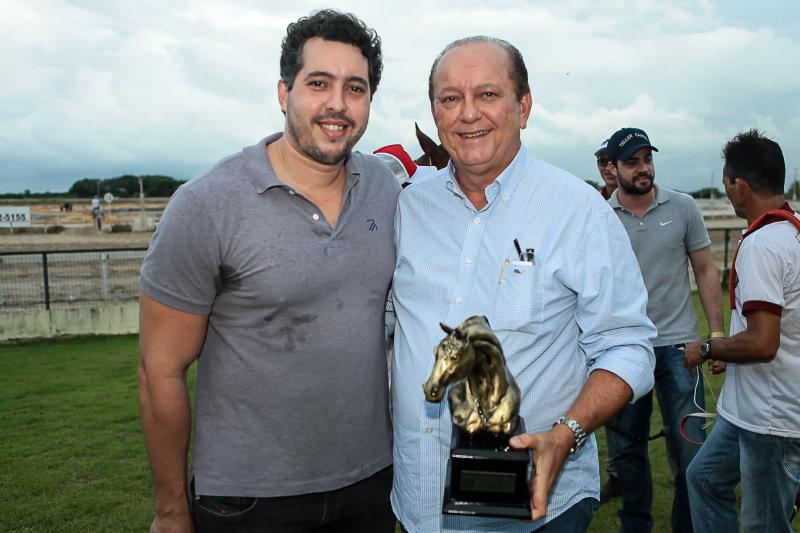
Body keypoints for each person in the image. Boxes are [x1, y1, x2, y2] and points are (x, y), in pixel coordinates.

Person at [137, 10, 399, 532]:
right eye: (318, 83)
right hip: (248, 499)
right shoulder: (206, 205)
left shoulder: (385, 189)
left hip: (371, 484)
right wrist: (171, 510)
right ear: (284, 93)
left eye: (355, 88)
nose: (337, 104)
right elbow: (159, 370)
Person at [390, 36, 656, 532]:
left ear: (524, 106)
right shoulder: (407, 207)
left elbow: (627, 345)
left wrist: (566, 433)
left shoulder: (577, 211)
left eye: (488, 94)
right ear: (435, 112)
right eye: (450, 98)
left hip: (540, 511)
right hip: (418, 499)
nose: (468, 113)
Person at [605, 127, 724, 532]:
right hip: (624, 348)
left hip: (680, 349)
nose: (643, 168)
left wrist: (716, 336)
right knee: (626, 448)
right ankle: (635, 525)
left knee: (692, 450)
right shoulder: (600, 215)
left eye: (647, 159)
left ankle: (686, 526)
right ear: (613, 168)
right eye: (632, 162)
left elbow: (705, 270)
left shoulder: (684, 206)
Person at [684, 129, 800, 532]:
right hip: (749, 411)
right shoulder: (792, 229)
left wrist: (707, 349)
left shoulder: (764, 245)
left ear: (740, 186)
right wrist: (729, 349)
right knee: (704, 478)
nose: (726, 190)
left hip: (771, 419)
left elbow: (763, 342)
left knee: (763, 524)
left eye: (725, 181)